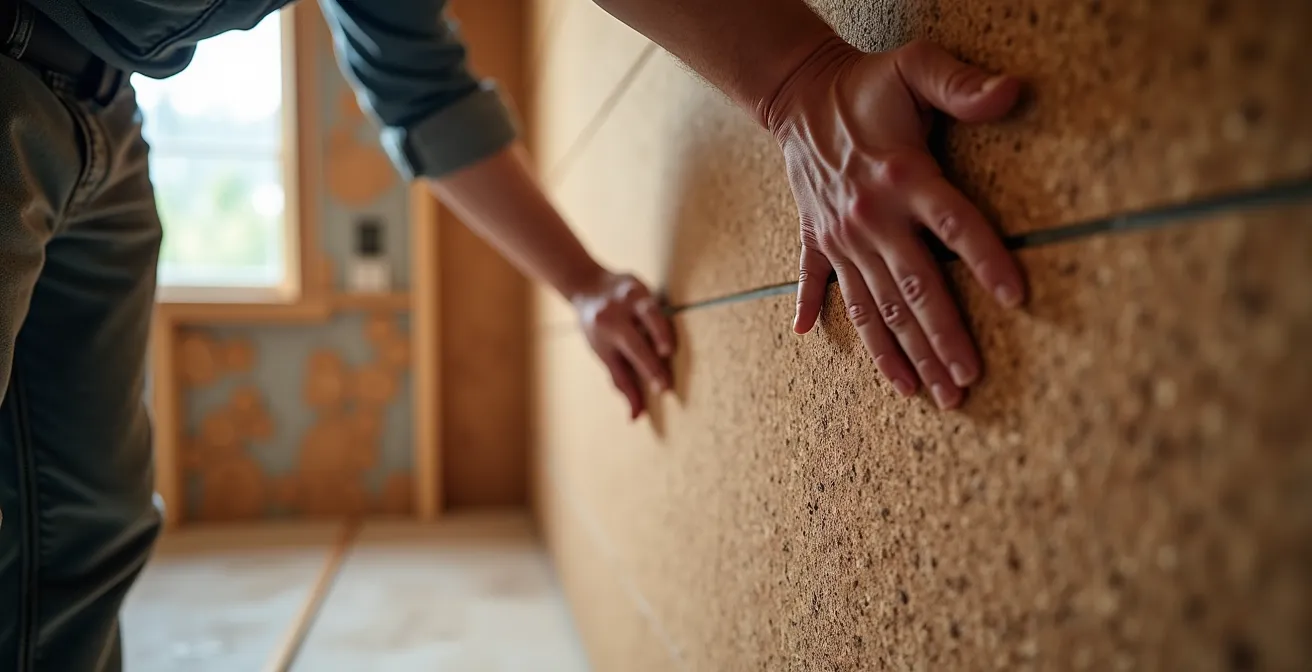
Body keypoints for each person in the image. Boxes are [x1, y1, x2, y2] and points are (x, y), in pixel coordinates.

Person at [0, 0, 1025, 668]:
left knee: (78, 539)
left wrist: (581, 284)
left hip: (100, 107)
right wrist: (794, 80)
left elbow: (423, 91)